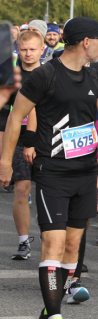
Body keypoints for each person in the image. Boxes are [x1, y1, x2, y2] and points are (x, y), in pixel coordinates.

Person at [0, 17, 98, 319]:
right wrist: (4, 161)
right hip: (52, 171)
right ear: (85, 42)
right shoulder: (46, 75)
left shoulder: (94, 75)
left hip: (86, 171)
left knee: (73, 246)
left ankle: (48, 311)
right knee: (53, 246)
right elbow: (16, 116)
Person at [6, 30, 43, 261]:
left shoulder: (51, 73)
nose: (28, 54)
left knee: (51, 192)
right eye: (24, 49)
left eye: (32, 50)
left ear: (42, 50)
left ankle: (62, 247)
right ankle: (23, 242)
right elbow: (4, 114)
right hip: (18, 137)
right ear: (17, 49)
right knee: (22, 189)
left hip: (46, 138)